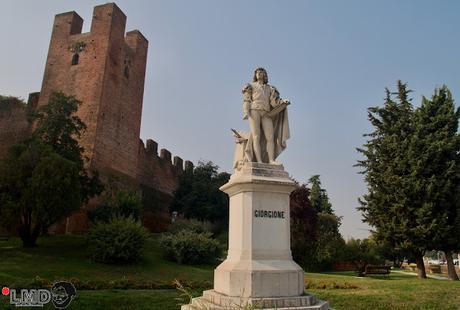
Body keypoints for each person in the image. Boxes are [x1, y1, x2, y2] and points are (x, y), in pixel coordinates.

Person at [241, 67, 290, 164]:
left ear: (265, 75)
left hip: (266, 113)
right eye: (257, 72)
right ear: (255, 75)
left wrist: (283, 103)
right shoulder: (250, 86)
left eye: (261, 72)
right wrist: (246, 111)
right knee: (256, 136)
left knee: (270, 137)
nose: (259, 74)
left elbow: (274, 103)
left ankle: (271, 160)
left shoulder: (270, 88)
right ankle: (259, 161)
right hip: (254, 110)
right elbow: (246, 100)